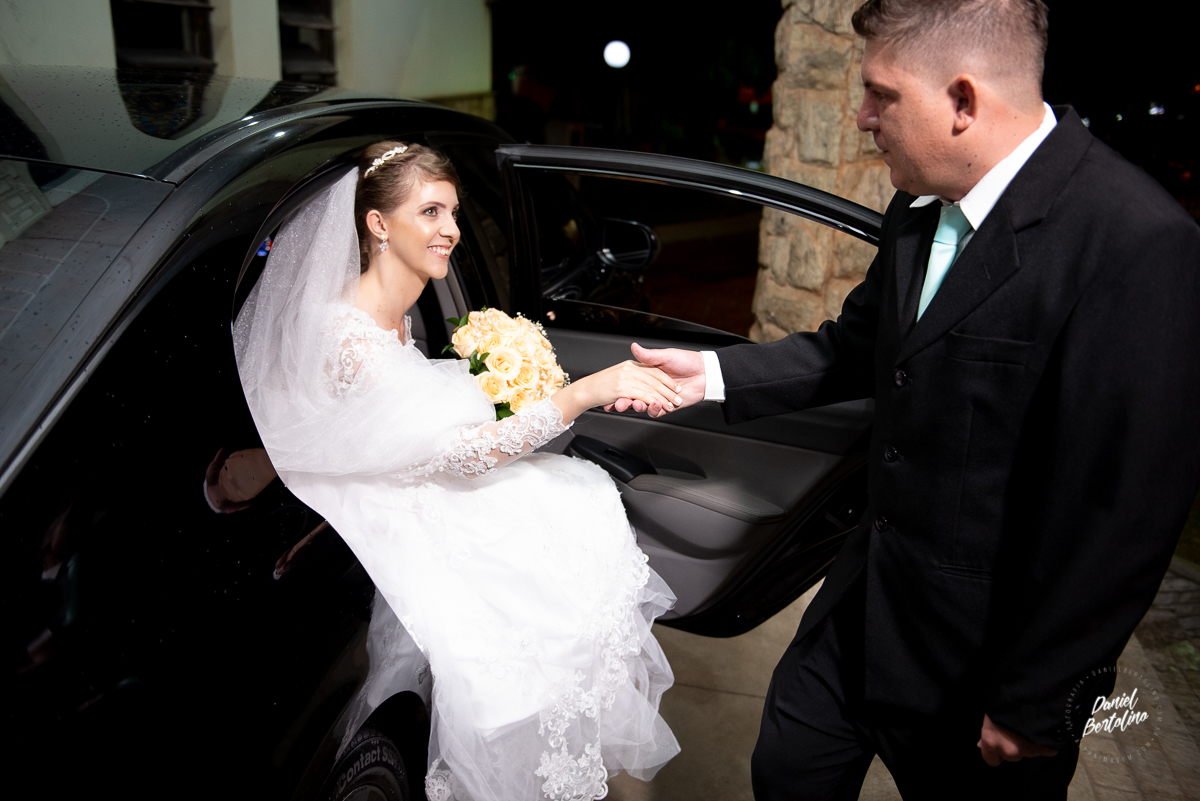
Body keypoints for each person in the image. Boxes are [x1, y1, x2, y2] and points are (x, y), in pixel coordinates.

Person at [618, 0, 1200, 797]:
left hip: (982, 665)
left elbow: (1127, 509)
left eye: (881, 94)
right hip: (858, 610)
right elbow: (858, 350)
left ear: (963, 102)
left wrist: (1040, 700)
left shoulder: (1135, 240)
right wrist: (712, 377)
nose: (862, 118)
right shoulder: (918, 205)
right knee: (785, 768)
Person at [232, 141, 682, 801]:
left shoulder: (402, 314)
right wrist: (584, 390)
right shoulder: (345, 335)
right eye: (431, 211)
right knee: (542, 611)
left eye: (455, 213)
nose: (451, 230)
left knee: (577, 561)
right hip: (401, 516)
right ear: (378, 224)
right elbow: (462, 452)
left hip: (423, 489)